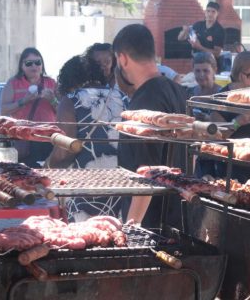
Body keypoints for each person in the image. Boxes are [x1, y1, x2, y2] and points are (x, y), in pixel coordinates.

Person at [114, 24, 187, 226]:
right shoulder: (177, 91)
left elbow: (147, 174)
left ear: (123, 59)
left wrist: (132, 226)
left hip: (152, 226)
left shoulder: (144, 104)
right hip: (178, 217)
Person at [46, 54, 128, 221]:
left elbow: (64, 152)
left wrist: (47, 167)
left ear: (68, 80)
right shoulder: (124, 98)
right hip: (123, 188)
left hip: (84, 190)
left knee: (85, 240)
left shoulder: (71, 100)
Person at [206, 51, 250, 181]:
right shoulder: (222, 97)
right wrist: (238, 122)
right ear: (239, 74)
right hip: (231, 165)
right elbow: (216, 136)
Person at [0, 47, 57, 167]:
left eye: (38, 62)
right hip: (23, 138)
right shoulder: (13, 83)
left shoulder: (51, 83)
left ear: (42, 65)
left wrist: (52, 100)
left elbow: (62, 110)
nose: (34, 67)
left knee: (48, 174)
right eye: (29, 63)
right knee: (23, 174)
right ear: (22, 66)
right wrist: (24, 101)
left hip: (47, 138)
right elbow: (3, 110)